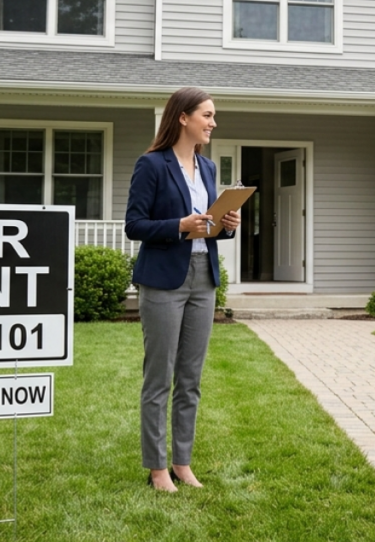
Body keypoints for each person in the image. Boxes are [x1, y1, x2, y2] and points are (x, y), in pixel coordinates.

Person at [124, 87, 241, 493]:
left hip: (202, 277)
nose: (212, 123)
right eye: (206, 115)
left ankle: (182, 462)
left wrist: (224, 225)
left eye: (213, 116)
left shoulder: (207, 168)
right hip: (162, 279)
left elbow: (205, 227)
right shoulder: (151, 164)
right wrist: (179, 225)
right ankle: (156, 469)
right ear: (183, 118)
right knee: (159, 378)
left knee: (190, 379)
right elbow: (134, 225)